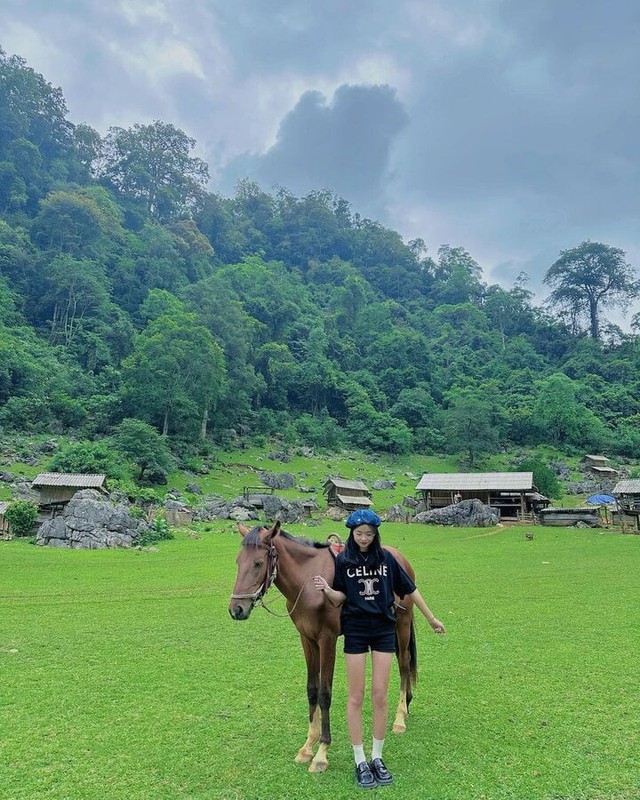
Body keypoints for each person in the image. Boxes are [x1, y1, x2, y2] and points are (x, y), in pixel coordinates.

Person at [314, 509, 445, 789]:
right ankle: (360, 759)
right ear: (352, 533)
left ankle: (377, 757)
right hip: (356, 631)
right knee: (355, 697)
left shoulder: (386, 559)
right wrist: (326, 589)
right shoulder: (344, 561)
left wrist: (431, 618)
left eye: (369, 534)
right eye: (359, 533)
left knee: (380, 696)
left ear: (376, 535)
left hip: (384, 630)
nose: (364, 538)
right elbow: (340, 598)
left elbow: (410, 590)